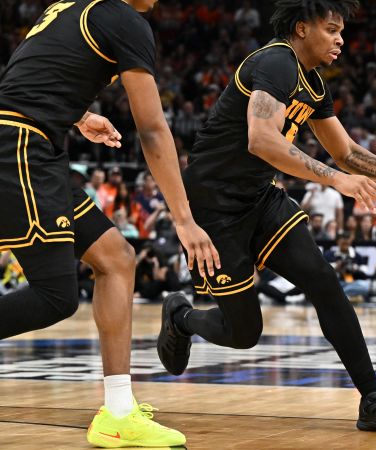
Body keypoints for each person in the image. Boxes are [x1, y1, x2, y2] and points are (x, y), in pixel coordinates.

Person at [157, 0, 376, 435]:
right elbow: (262, 141)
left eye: (342, 31)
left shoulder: (314, 83)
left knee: (324, 282)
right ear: (302, 28)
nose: (341, 39)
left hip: (259, 199)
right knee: (244, 332)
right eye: (331, 29)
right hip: (213, 207)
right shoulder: (275, 61)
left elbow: (345, 151)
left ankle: (372, 401)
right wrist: (338, 182)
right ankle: (181, 318)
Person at [0, 0, 220, 447]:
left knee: (117, 257)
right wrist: (183, 219)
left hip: (36, 144)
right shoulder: (125, 20)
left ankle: (117, 411)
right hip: (21, 146)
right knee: (55, 296)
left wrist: (78, 115)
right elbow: (153, 129)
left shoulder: (66, 8)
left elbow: (23, 79)